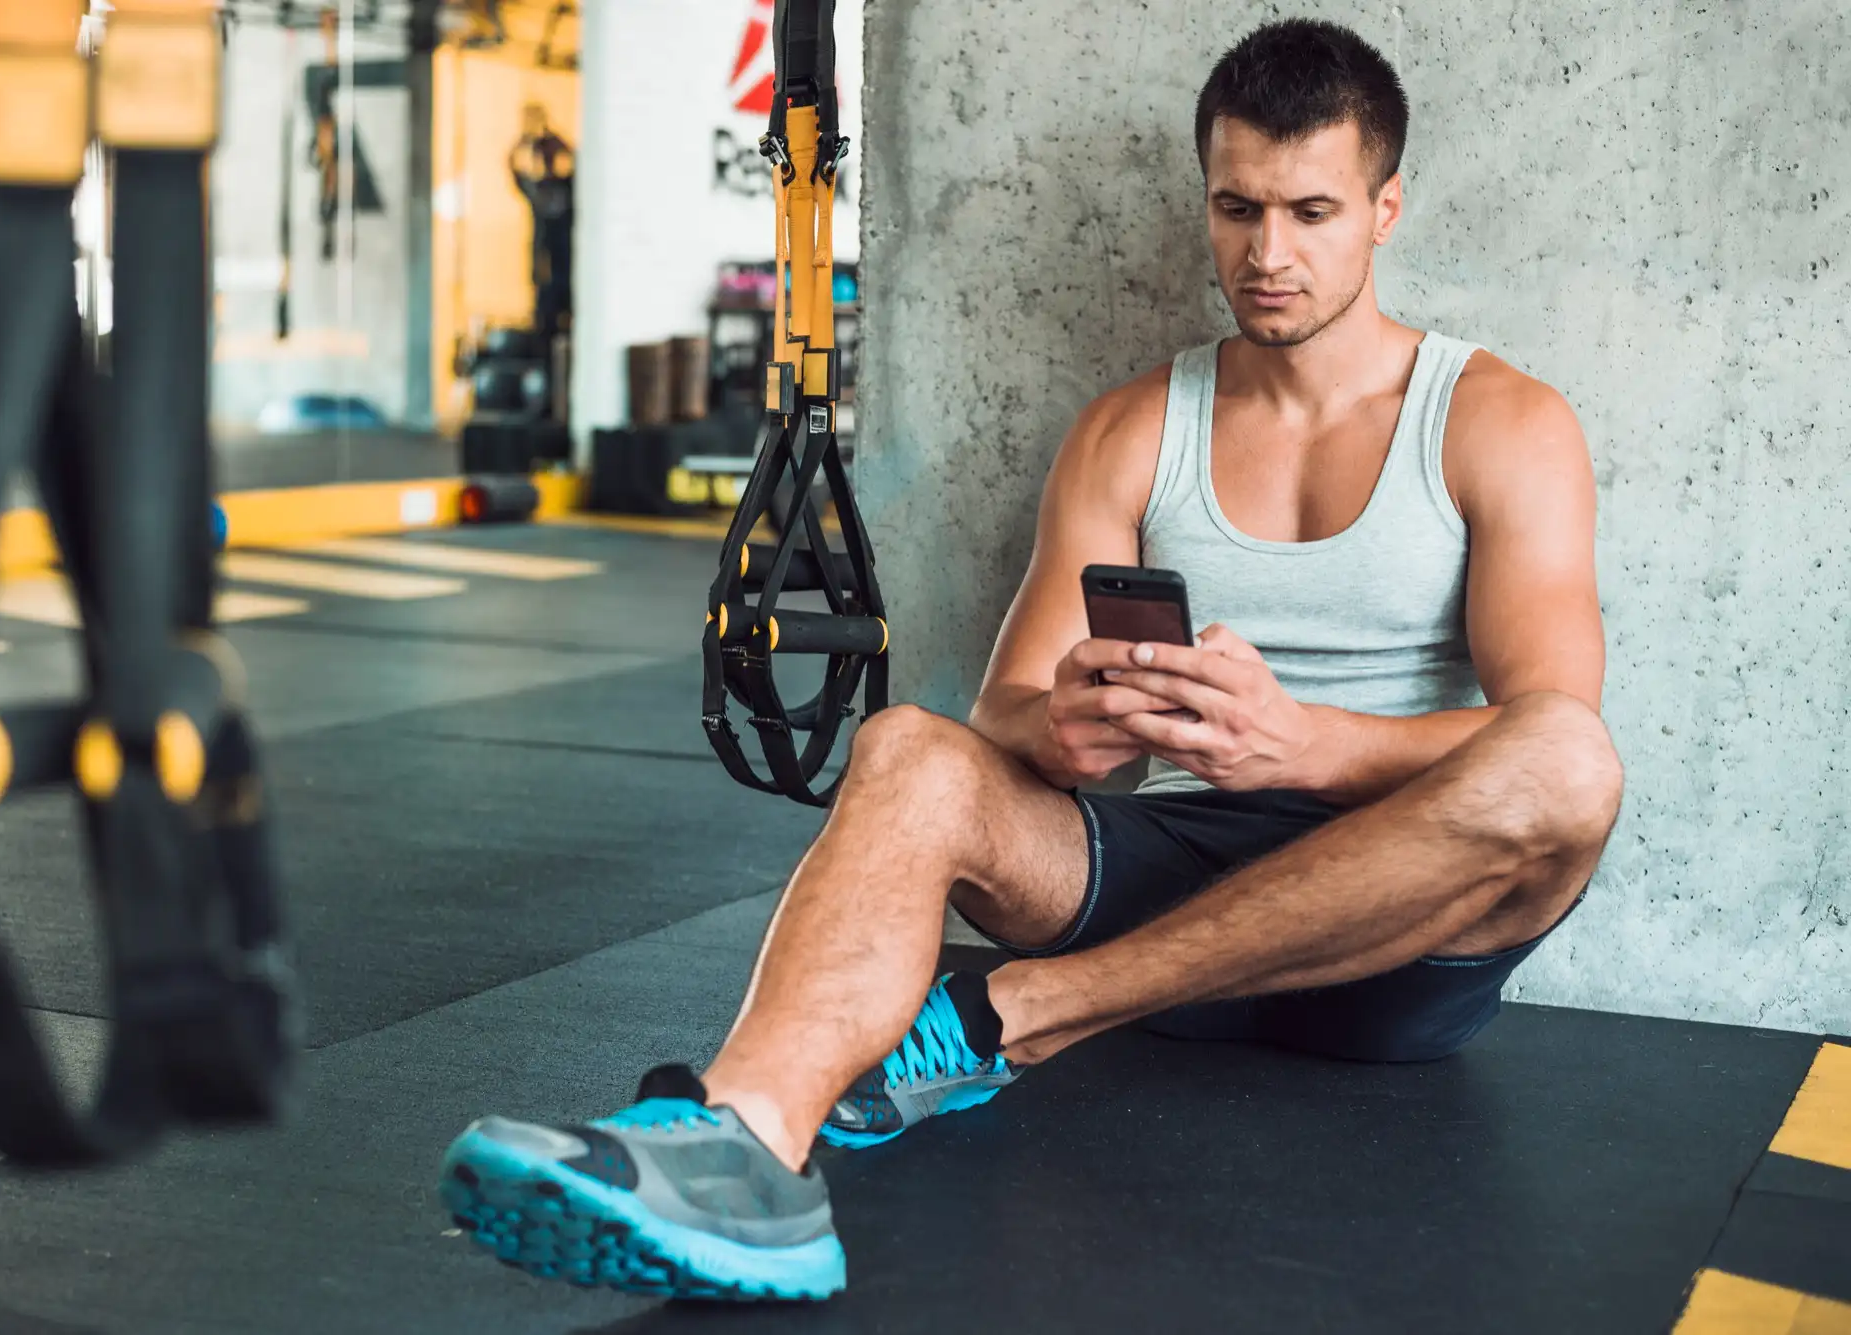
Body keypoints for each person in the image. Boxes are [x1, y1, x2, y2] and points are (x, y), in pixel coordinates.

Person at [437, 17, 1623, 1302]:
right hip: (1163, 869)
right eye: (1235, 207)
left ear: (1384, 207)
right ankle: (742, 1145)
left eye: (1310, 210)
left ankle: (1020, 1017)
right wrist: (1057, 729)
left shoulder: (1498, 420)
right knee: (906, 749)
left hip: (1386, 934)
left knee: (1569, 759)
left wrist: (1309, 744)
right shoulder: (1131, 429)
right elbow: (1003, 706)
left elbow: (1544, 727)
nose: (1266, 253)